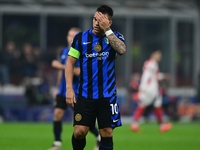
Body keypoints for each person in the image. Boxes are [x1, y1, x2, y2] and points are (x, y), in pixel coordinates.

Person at [65, 5, 126, 150]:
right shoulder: (80, 38)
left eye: (101, 20)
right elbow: (69, 64)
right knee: (80, 132)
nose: (97, 23)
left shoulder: (115, 37)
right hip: (85, 95)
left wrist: (108, 31)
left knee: (107, 132)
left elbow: (122, 50)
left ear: (109, 22)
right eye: (95, 19)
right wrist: (69, 88)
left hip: (108, 95)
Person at [48, 27, 100, 150]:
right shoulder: (64, 51)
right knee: (57, 114)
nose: (70, 38)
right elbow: (63, 74)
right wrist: (57, 88)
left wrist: (60, 66)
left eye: (73, 35)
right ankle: (57, 143)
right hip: (63, 90)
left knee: (83, 122)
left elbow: (78, 71)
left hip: (77, 92)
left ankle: (99, 137)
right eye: (68, 35)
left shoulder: (82, 51)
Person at [130, 50, 172, 133]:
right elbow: (147, 76)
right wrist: (143, 87)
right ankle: (135, 124)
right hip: (150, 89)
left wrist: (163, 76)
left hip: (153, 88)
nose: (159, 57)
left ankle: (161, 126)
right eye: (158, 55)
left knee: (157, 105)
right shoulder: (152, 64)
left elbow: (153, 76)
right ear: (153, 55)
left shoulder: (150, 63)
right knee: (143, 105)